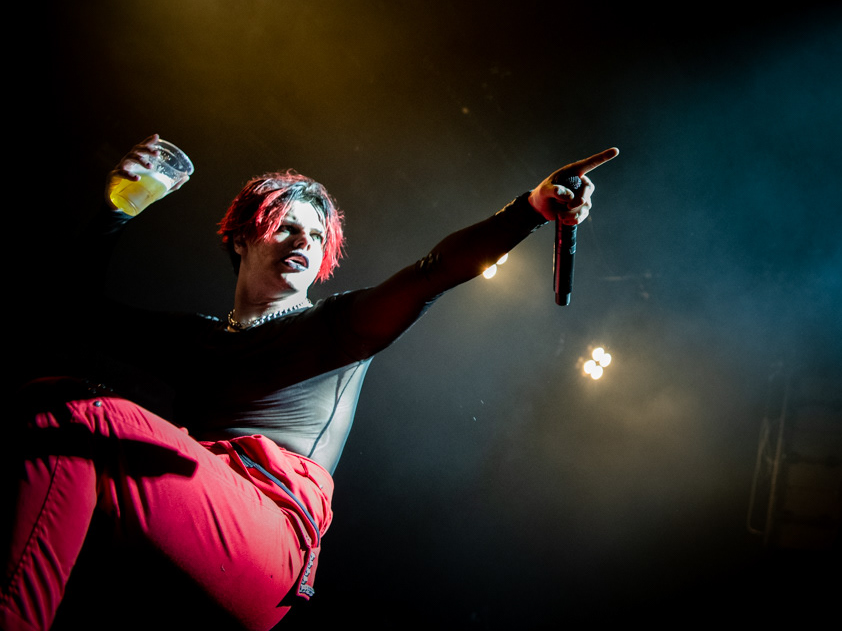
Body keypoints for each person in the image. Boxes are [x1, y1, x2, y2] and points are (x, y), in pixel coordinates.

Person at [1, 134, 618, 631]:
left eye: (317, 235)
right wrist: (118, 209)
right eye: (286, 225)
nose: (304, 241)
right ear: (241, 236)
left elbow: (436, 271)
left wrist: (531, 208)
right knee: (45, 409)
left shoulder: (338, 326)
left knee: (78, 411)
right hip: (187, 531)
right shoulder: (198, 340)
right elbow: (72, 312)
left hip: (268, 544)